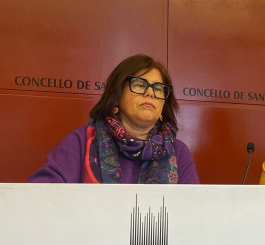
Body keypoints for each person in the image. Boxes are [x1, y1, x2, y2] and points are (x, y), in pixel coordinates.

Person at [29, 54, 199, 184]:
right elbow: (43, 196)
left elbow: (192, 214)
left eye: (158, 88)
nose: (150, 93)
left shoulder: (178, 152)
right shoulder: (82, 142)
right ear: (116, 96)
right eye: (140, 85)